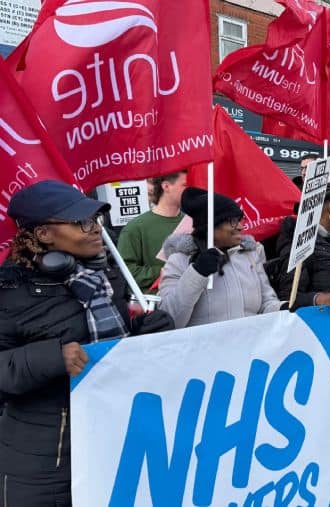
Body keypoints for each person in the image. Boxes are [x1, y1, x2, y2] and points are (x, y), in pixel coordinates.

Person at [0, 181, 174, 506]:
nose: (96, 230)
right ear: (43, 235)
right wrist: (51, 358)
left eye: (97, 220)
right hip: (44, 463)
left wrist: (142, 332)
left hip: (113, 439)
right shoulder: (10, 291)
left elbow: (110, 343)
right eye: (82, 222)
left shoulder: (103, 276)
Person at [158, 188, 282, 328]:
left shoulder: (250, 256)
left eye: (240, 220)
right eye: (233, 221)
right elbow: (169, 320)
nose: (241, 226)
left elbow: (266, 303)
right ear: (211, 226)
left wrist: (284, 308)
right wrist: (197, 273)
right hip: (204, 348)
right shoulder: (179, 261)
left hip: (250, 347)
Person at [117, 171, 187, 292]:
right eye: (185, 185)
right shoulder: (134, 228)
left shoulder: (193, 221)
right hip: (154, 305)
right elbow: (125, 271)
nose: (190, 190)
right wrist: (160, 272)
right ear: (166, 186)